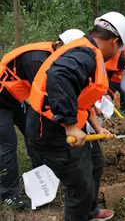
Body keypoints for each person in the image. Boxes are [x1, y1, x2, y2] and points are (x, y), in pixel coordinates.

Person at [27, 11, 125, 221]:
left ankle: (90, 212)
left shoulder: (88, 50)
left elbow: (83, 97)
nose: (118, 53)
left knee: (96, 161)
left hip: (69, 124)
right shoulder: (84, 55)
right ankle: (82, 211)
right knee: (80, 190)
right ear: (115, 41)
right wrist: (70, 125)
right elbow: (59, 76)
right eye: (120, 48)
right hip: (50, 131)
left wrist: (98, 127)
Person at [0, 29, 84, 209]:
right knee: (8, 143)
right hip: (1, 100)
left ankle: (38, 171)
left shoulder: (54, 56)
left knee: (33, 133)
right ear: (61, 46)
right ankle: (9, 194)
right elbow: (49, 95)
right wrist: (68, 122)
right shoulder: (37, 61)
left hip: (14, 98)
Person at [105, 49, 125, 113]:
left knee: (124, 89)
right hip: (105, 70)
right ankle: (106, 108)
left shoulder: (121, 55)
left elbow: (123, 64)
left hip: (120, 70)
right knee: (107, 90)